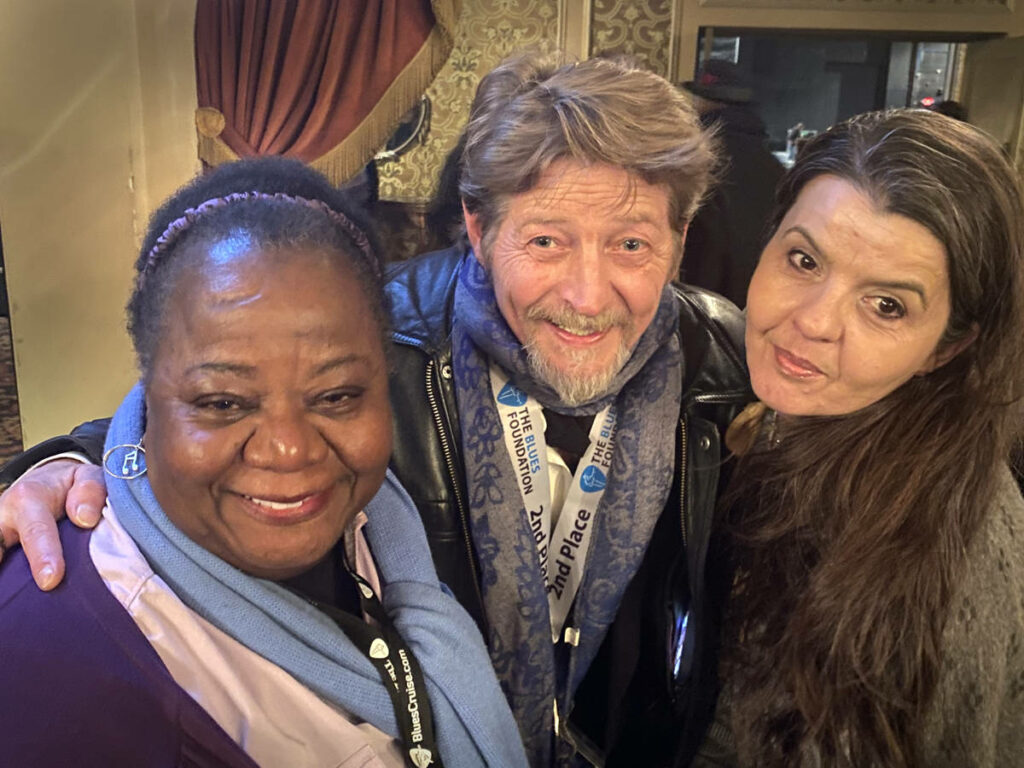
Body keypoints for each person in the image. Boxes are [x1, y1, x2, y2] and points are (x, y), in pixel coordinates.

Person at [0, 53, 752, 766]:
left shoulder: (728, 365)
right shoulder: (373, 336)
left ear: (679, 241)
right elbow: (193, 404)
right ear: (481, 231)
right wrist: (59, 465)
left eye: (630, 244)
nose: (588, 296)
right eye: (547, 240)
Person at [0, 157, 527, 768]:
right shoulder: (58, 654)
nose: (288, 450)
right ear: (150, 399)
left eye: (336, 396)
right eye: (223, 402)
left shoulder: (384, 518)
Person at [693, 109, 1024, 767]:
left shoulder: (954, 551)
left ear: (947, 348)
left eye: (887, 305)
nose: (813, 321)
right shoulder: (771, 413)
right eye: (804, 258)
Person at [678, 59, 785, 308]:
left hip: (709, 309)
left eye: (696, 98)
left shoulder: (697, 164)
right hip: (760, 304)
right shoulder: (775, 168)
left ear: (705, 103)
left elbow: (700, 255)